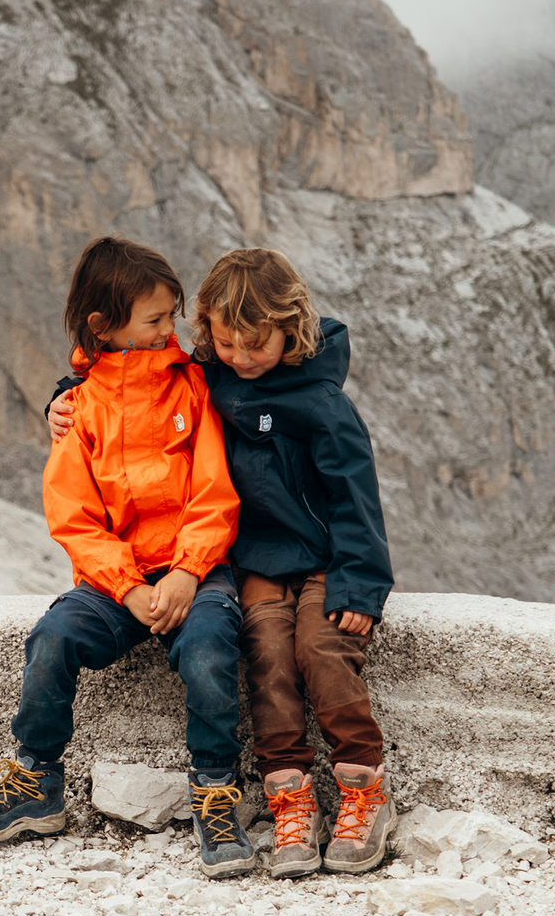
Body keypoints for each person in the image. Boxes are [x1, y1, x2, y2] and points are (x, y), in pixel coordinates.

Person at [49, 248, 396, 880]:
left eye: (255, 343)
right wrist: (61, 399)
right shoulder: (212, 377)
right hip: (256, 562)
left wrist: (361, 584)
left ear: (290, 326)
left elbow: (356, 499)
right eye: (226, 342)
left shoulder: (322, 402)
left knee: (322, 650)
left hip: (328, 563)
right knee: (267, 657)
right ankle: (288, 797)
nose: (241, 357)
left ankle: (363, 786)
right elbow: (133, 386)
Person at [0, 237, 255, 880]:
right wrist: (128, 588)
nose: (170, 331)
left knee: (208, 650)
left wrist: (187, 571)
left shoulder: (193, 387)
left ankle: (215, 792)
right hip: (114, 583)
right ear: (104, 326)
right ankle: (36, 781)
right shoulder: (80, 409)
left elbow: (214, 491)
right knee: (52, 639)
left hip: (196, 570)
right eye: (155, 319)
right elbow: (74, 518)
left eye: (172, 316)